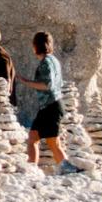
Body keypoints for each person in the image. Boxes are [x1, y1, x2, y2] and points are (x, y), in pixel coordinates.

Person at [25, 30, 66, 167]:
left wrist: (25, 82)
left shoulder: (45, 63)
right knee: (34, 137)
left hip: (50, 106)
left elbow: (47, 85)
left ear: (36, 45)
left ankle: (68, 168)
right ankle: (32, 170)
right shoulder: (54, 60)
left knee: (53, 143)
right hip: (53, 106)